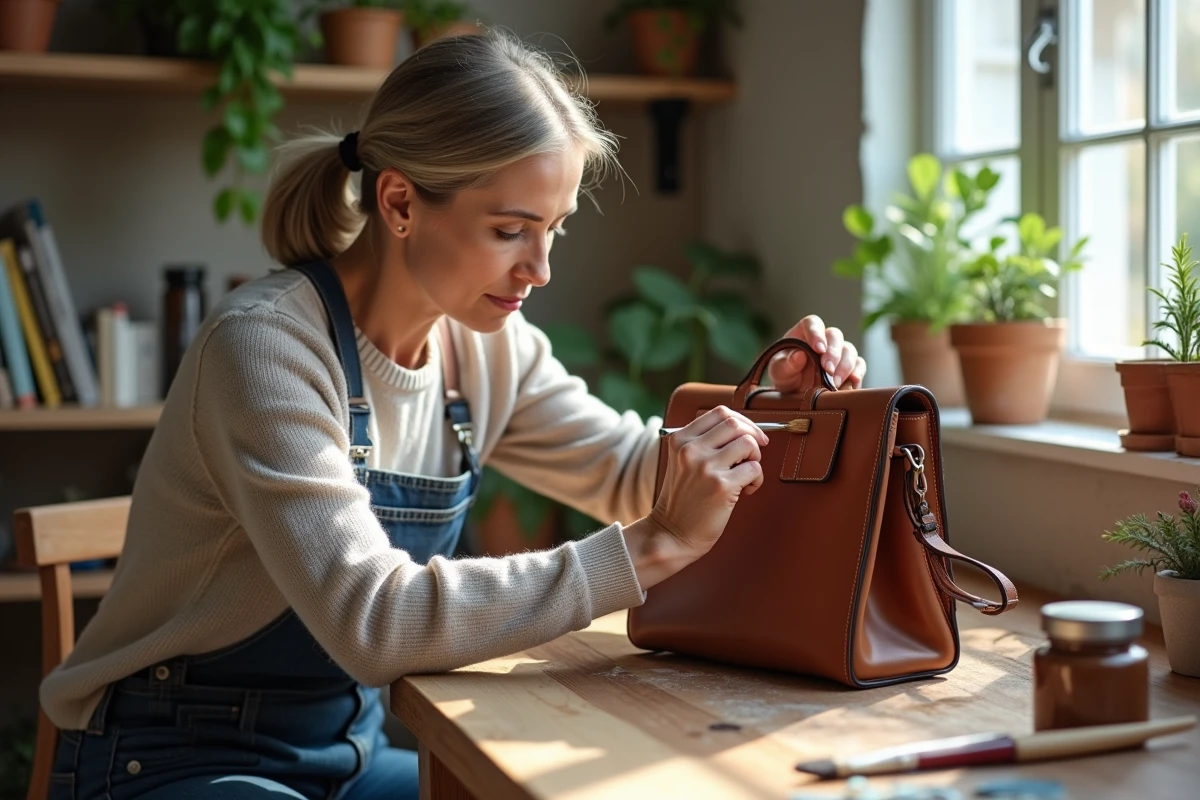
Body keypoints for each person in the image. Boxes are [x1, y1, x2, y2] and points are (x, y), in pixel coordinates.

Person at [40, 28, 866, 800]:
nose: (539, 269)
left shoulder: (485, 347)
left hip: (347, 749)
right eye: (511, 230)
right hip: (170, 758)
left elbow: (628, 471)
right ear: (399, 203)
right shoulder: (264, 350)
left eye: (555, 230)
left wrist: (768, 409)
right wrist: (648, 547)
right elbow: (374, 621)